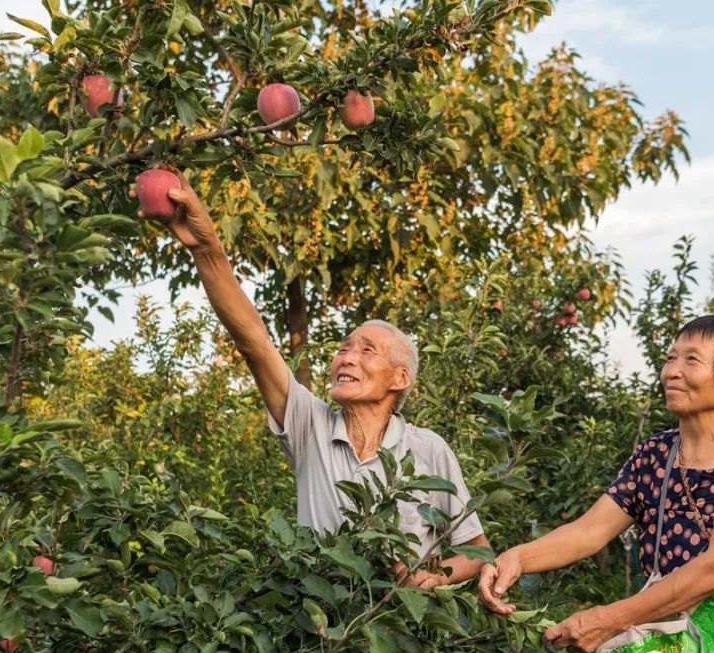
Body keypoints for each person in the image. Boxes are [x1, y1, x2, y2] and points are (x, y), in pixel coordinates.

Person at [135, 173, 490, 588]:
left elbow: (477, 550)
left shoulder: (428, 449)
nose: (346, 357)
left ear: (400, 378)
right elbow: (253, 343)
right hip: (319, 633)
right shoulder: (310, 425)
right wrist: (207, 248)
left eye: (366, 350)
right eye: (344, 348)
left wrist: (431, 578)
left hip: (399, 629)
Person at [478, 316, 714, 653]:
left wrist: (610, 619)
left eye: (691, 360)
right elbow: (589, 531)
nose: (672, 371)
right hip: (681, 638)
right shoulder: (655, 454)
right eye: (670, 358)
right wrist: (518, 558)